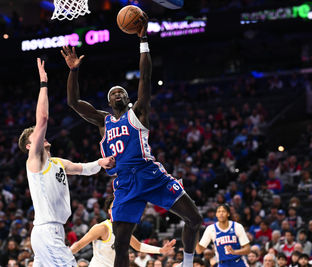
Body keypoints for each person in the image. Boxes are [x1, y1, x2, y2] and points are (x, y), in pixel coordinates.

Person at [61, 12, 202, 267]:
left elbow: (145, 77)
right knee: (121, 244)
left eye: (122, 92)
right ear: (108, 101)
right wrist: (73, 71)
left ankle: (188, 263)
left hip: (151, 174)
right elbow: (73, 102)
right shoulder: (103, 121)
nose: (118, 93)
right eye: (113, 92)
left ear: (127, 99)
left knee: (195, 219)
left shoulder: (138, 113)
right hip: (124, 184)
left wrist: (143, 38)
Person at [18, 59, 115, 267]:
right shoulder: (35, 159)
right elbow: (42, 118)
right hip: (47, 230)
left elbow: (83, 169)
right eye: (35, 136)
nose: (41, 135)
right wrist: (44, 84)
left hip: (52, 230)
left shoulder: (56, 162)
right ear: (29, 146)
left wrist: (101, 161)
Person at [70, 196, 176, 267]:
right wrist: (63, 256)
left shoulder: (123, 229)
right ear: (109, 211)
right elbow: (79, 245)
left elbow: (138, 246)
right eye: (114, 207)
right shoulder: (102, 228)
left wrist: (161, 250)